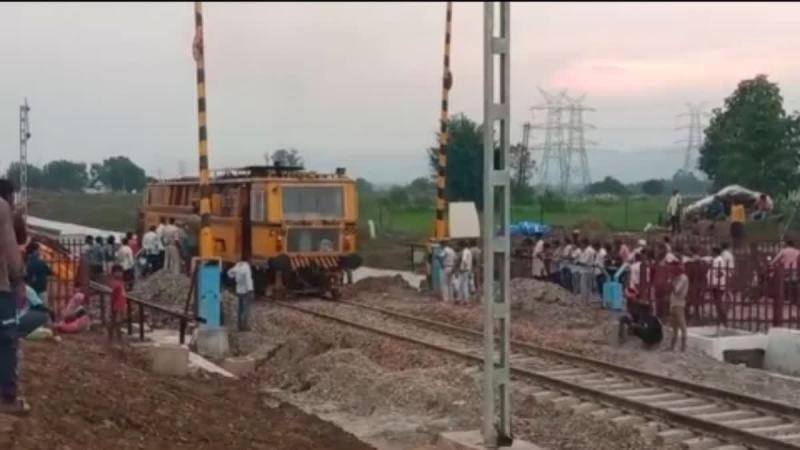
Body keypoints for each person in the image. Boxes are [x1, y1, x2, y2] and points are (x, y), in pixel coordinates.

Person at [0, 179, 27, 415]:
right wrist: (18, 280)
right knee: (7, 341)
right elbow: (10, 248)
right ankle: (6, 397)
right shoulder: (1, 208)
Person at [227, 258, 254, 332]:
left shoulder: (237, 266)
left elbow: (229, 273)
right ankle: (245, 326)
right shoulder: (246, 267)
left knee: (240, 309)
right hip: (246, 291)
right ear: (248, 261)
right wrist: (250, 290)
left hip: (238, 291)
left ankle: (239, 326)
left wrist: (233, 276)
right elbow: (248, 279)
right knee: (246, 310)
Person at [771, 240, 800, 304]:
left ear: (787, 245)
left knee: (784, 284)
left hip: (785, 269)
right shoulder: (797, 251)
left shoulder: (784, 251)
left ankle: (785, 298)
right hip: (795, 269)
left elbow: (776, 259)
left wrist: (771, 264)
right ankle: (794, 299)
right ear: (793, 245)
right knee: (794, 284)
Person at [669, 262, 688, 352]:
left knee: (682, 325)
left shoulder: (683, 278)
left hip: (679, 304)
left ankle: (683, 347)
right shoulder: (676, 278)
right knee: (674, 327)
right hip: (673, 304)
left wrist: (671, 282)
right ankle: (672, 346)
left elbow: (676, 290)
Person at [707, 246, 728, 327]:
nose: (711, 253)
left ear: (715, 252)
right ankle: (720, 321)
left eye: (712, 251)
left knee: (719, 303)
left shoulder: (719, 260)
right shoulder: (716, 260)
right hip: (715, 284)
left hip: (717, 285)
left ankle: (724, 320)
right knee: (717, 303)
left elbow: (721, 272)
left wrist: (715, 277)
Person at [108, 264, 126, 345]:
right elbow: (113, 296)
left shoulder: (120, 282)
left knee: (116, 322)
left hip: (120, 305)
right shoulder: (115, 283)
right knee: (117, 323)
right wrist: (112, 306)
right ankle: (118, 340)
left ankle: (111, 339)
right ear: (113, 273)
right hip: (117, 306)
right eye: (118, 272)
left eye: (121, 272)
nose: (120, 273)